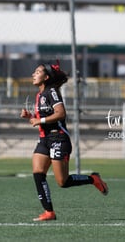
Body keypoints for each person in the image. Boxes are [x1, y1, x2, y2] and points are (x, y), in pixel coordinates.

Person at [20, 61, 108, 221]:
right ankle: (49, 212)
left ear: (46, 77)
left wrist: (40, 121)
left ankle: (93, 179)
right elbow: (43, 120)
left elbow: (61, 114)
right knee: (38, 173)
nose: (33, 74)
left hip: (58, 138)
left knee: (63, 181)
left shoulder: (51, 91)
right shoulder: (39, 95)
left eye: (37, 72)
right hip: (44, 139)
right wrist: (31, 118)